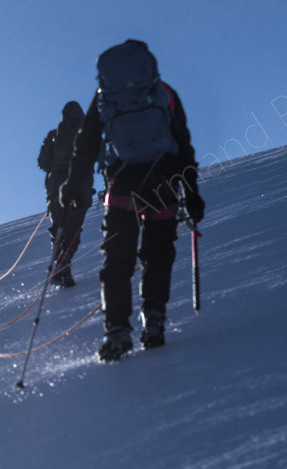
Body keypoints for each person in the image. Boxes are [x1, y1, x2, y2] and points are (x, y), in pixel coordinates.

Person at [61, 39, 205, 361]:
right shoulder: (162, 92)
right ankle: (153, 320)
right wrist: (192, 193)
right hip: (163, 181)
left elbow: (85, 145)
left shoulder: (106, 98)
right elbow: (183, 144)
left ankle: (117, 332)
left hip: (123, 183)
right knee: (157, 254)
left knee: (117, 258)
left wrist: (71, 185)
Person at [37, 101, 94, 288]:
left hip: (56, 183)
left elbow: (43, 162)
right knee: (74, 224)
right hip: (80, 182)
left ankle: (60, 265)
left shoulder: (54, 135)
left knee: (58, 225)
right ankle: (64, 262)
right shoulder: (87, 134)